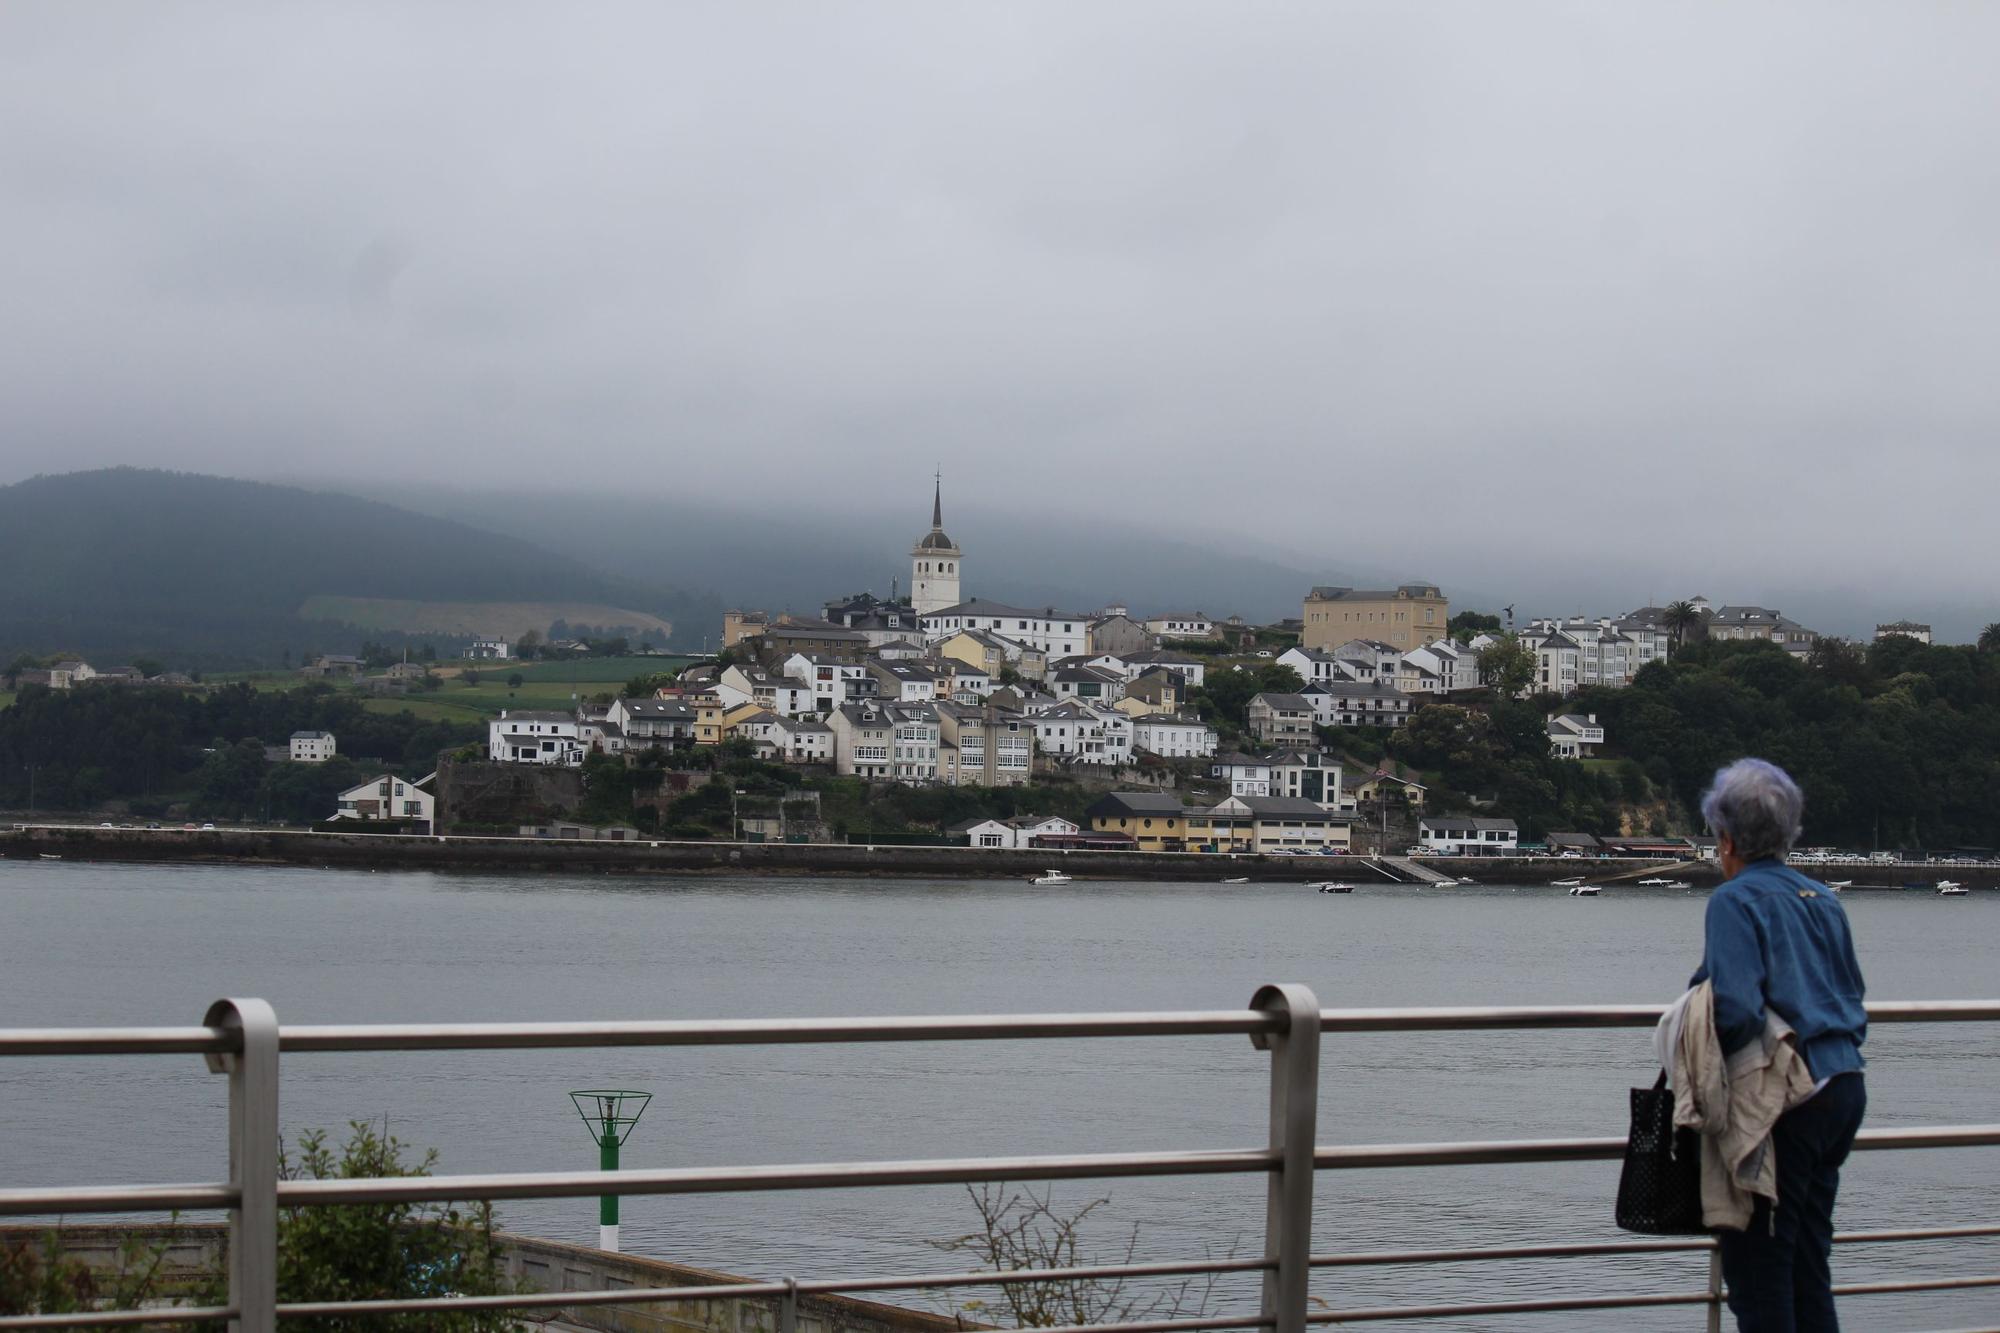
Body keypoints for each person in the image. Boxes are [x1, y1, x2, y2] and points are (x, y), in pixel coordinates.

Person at [1690, 758, 1868, 1332]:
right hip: (1842, 1087)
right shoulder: (1823, 898)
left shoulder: (1736, 900)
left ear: (1726, 838)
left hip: (1786, 1101)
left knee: (1761, 1270)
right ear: (1788, 831)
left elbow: (1736, 1009)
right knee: (1808, 1265)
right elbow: (1851, 996)